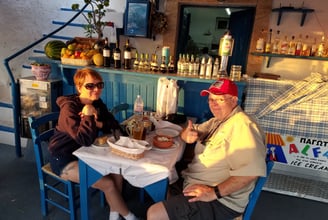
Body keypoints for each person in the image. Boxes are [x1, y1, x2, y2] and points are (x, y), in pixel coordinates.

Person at [147, 78, 267, 220]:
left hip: (221, 200)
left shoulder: (243, 126)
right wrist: (187, 135)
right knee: (161, 181)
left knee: (155, 213)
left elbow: (249, 174)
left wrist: (213, 193)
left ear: (234, 100)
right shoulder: (218, 120)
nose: (213, 104)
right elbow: (193, 131)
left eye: (219, 99)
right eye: (211, 99)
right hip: (195, 182)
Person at [48, 68, 138, 220]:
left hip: (86, 154)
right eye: (90, 86)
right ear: (79, 87)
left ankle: (114, 214)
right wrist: (88, 114)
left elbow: (114, 125)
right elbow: (85, 140)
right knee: (108, 184)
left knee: (117, 172)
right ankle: (130, 217)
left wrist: (98, 123)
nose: (96, 89)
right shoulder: (69, 109)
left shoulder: (97, 103)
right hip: (64, 159)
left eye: (99, 85)